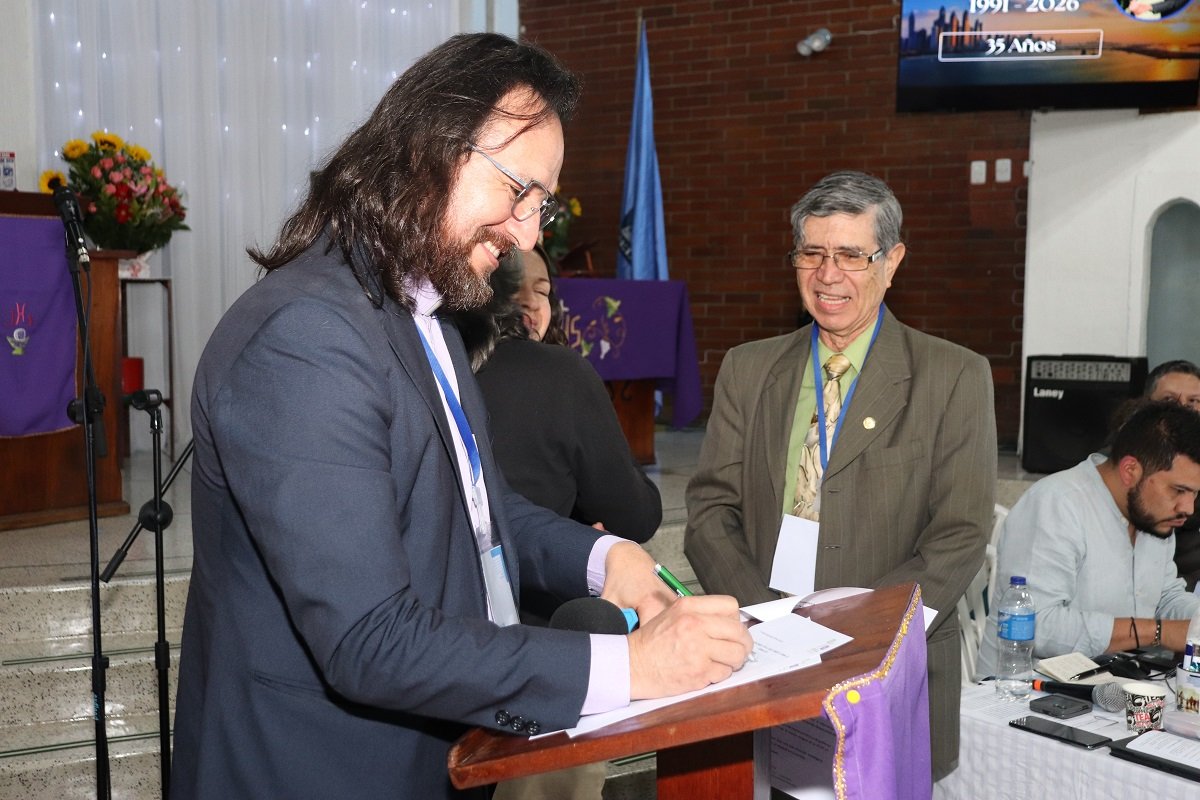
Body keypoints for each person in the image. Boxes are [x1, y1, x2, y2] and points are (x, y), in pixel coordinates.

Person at [171, 33, 751, 800]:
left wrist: (602, 558)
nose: (529, 234)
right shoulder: (306, 338)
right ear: (433, 150)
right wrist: (635, 666)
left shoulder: (430, 313)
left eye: (541, 205)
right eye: (519, 192)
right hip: (322, 770)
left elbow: (470, 505)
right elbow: (370, 639)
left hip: (441, 751)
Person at [684, 170, 996, 781]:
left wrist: (859, 637)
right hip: (762, 658)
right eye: (812, 253)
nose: (829, 275)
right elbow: (710, 511)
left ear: (892, 262)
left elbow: (958, 535)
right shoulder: (748, 369)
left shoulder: (953, 376)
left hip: (887, 668)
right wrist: (764, 625)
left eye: (852, 255)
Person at [458, 249, 662, 800]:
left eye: (546, 290)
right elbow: (635, 514)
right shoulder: (557, 374)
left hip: (445, 643)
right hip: (547, 643)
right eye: (528, 289)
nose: (534, 302)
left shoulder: (430, 362)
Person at [977, 401, 1200, 676]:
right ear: (1130, 471)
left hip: (1113, 682)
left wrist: (1196, 620)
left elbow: (1165, 597)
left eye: (1195, 493)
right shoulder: (1057, 503)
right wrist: (1158, 633)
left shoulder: (1153, 514)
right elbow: (1037, 625)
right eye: (1178, 490)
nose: (1188, 508)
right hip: (1024, 689)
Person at [1145, 360, 1200, 590]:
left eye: (1193, 401)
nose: (1183, 409)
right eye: (1169, 400)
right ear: (1146, 405)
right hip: (1152, 589)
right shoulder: (1125, 458)